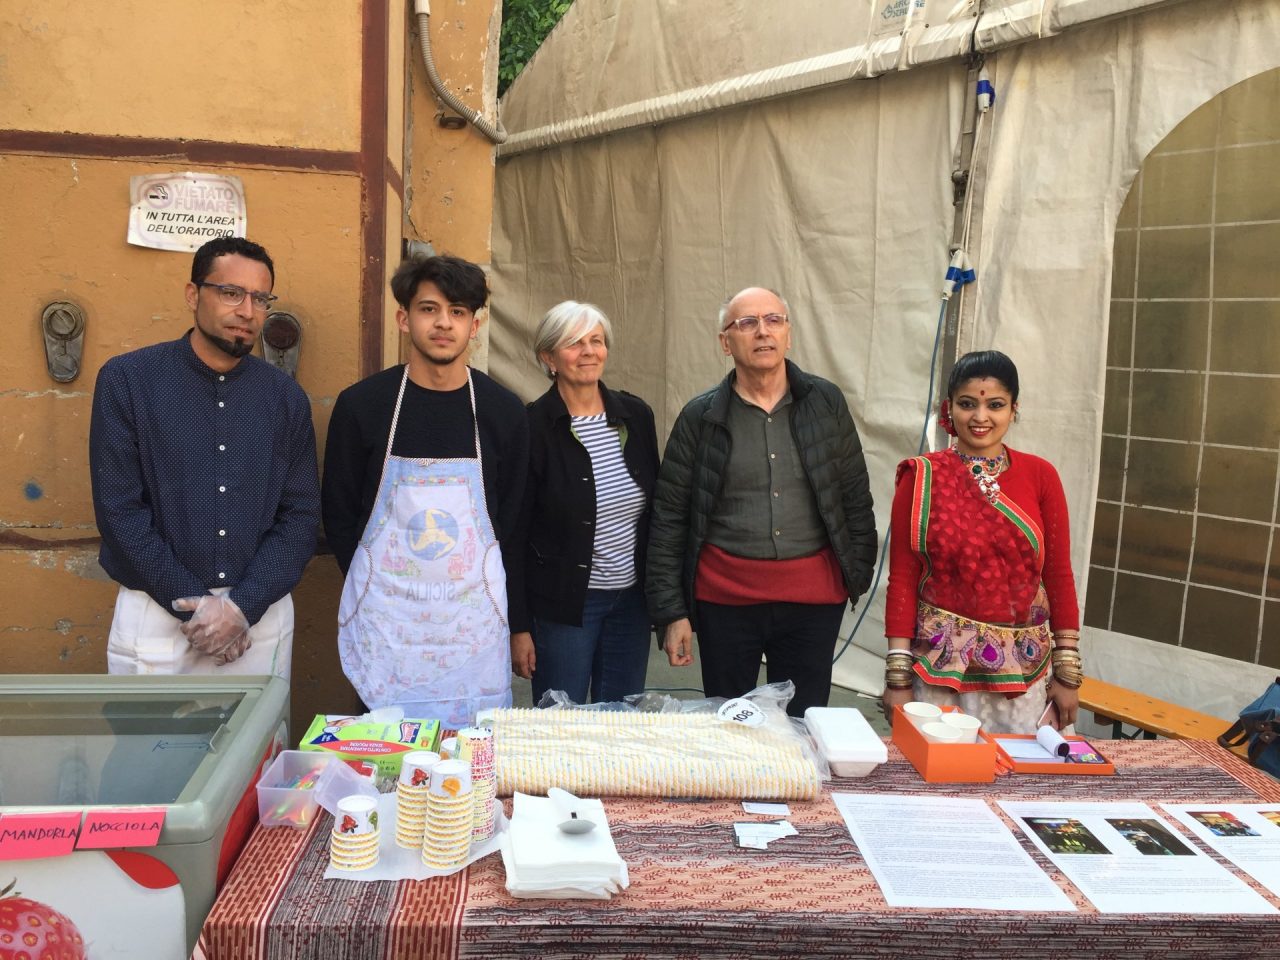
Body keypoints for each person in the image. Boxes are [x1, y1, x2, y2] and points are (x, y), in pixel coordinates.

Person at [90, 236, 320, 678]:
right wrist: (194, 605)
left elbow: (301, 516)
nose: (247, 311)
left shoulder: (285, 398)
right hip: (157, 615)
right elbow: (119, 510)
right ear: (193, 294)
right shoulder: (129, 382)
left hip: (258, 617)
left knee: (259, 749)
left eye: (260, 298)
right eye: (231, 293)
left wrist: (241, 607)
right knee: (149, 749)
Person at [646, 287, 878, 717]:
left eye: (774, 320)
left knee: (806, 725)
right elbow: (670, 518)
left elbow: (853, 498)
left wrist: (854, 576)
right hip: (726, 602)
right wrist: (671, 613)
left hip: (813, 602)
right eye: (747, 323)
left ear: (788, 334)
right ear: (725, 342)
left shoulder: (825, 404)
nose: (762, 332)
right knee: (732, 725)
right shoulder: (701, 418)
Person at [322, 254, 529, 726]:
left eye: (458, 312)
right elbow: (338, 511)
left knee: (469, 766)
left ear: (474, 325)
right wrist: (376, 590)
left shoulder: (503, 412)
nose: (444, 323)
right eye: (429, 309)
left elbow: (514, 522)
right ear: (404, 318)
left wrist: (519, 623)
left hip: (470, 630)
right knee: (385, 756)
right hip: (390, 625)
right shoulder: (363, 406)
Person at [881, 350, 1082, 733]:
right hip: (940, 675)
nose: (980, 417)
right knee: (941, 780)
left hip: (1023, 675)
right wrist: (897, 676)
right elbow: (903, 579)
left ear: (1013, 409)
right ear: (949, 408)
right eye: (968, 404)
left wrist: (1068, 670)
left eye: (996, 405)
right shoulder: (922, 477)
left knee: (1023, 783)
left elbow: (1057, 575)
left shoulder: (1041, 476)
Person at [513, 301, 660, 704]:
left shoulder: (635, 416)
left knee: (621, 719)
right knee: (563, 721)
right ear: (549, 357)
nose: (589, 351)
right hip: (564, 607)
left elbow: (658, 514)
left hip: (631, 602)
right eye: (574, 343)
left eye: (596, 341)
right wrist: (519, 625)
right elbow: (516, 532)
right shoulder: (531, 427)